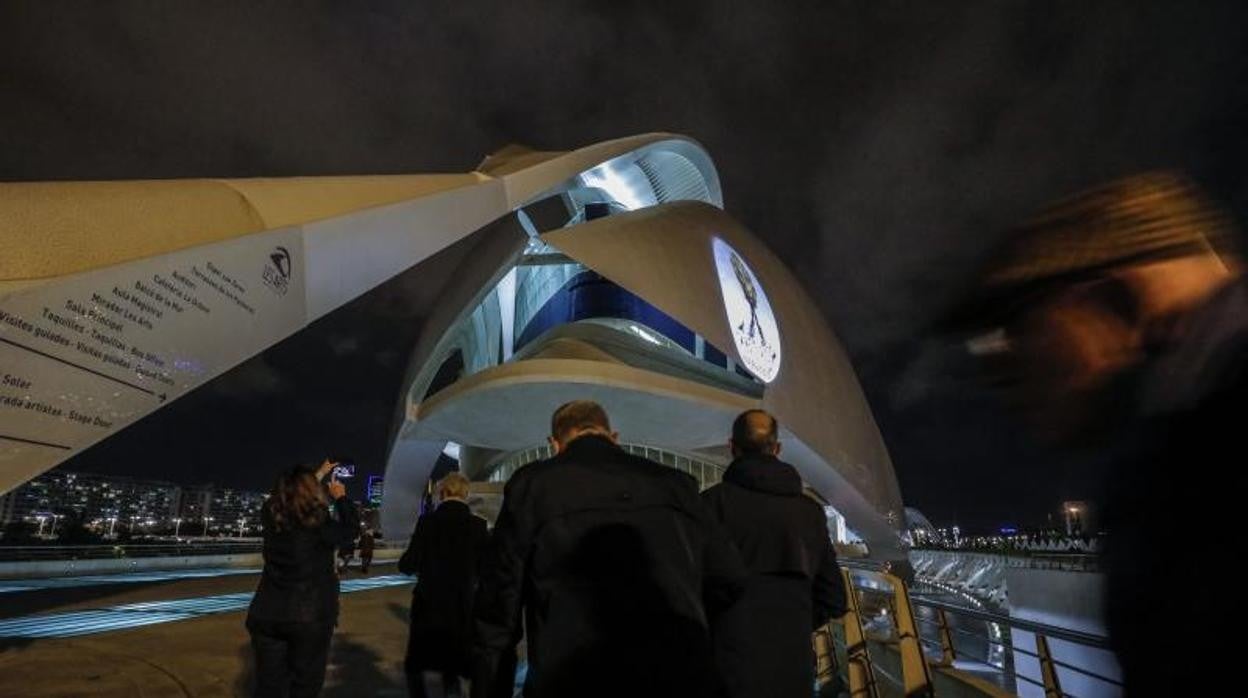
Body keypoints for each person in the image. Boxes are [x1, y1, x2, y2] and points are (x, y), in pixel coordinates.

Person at [945, 172, 1246, 694]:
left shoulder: (1208, 446)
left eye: (1009, 332)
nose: (1000, 373)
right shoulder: (1181, 449)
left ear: (1112, 300)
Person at [471, 400, 746, 698]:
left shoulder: (533, 487)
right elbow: (729, 576)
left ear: (555, 444)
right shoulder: (678, 485)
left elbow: (500, 603)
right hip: (677, 675)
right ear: (613, 437)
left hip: (574, 678)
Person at [701, 410, 848, 698]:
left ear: (732, 447)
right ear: (777, 449)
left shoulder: (709, 505)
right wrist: (794, 621)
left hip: (725, 669)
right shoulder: (810, 512)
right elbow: (834, 598)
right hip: (793, 670)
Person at [246, 460, 360, 698]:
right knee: (305, 685)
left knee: (268, 687)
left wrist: (319, 473)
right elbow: (350, 531)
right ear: (312, 490)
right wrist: (340, 498)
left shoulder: (270, 514)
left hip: (267, 613)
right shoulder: (319, 520)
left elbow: (284, 497)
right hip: (310, 617)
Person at [399, 473, 490, 697]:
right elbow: (487, 568)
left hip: (428, 604)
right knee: (453, 663)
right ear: (465, 495)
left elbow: (409, 564)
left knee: (416, 663)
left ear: (443, 493)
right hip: (462, 605)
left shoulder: (427, 523)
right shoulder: (478, 526)